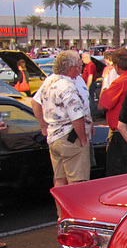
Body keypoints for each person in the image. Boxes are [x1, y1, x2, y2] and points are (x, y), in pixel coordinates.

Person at [31, 50, 93, 188]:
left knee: (60, 178)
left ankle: (60, 210)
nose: (79, 70)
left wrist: (43, 126)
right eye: (78, 67)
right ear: (70, 69)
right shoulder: (67, 87)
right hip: (70, 137)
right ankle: (74, 209)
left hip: (54, 136)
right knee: (77, 181)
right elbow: (76, 116)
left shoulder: (49, 81)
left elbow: (35, 102)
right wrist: (82, 139)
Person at [98, 47, 127, 176]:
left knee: (118, 174)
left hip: (122, 134)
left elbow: (102, 105)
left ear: (116, 66)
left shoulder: (120, 82)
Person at [81, 51, 98, 117]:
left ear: (87, 57)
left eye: (83, 58)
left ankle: (92, 115)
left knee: (90, 100)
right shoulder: (87, 65)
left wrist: (87, 87)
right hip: (87, 84)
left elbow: (90, 77)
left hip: (90, 84)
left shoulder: (91, 65)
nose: (82, 59)